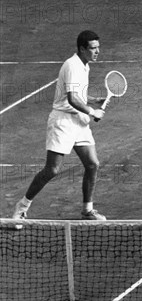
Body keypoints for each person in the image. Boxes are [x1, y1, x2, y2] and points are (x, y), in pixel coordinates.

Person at [12, 30, 109, 225]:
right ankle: (21, 207)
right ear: (82, 49)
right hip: (63, 122)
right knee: (52, 170)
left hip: (78, 121)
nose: (97, 52)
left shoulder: (84, 65)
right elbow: (72, 99)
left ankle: (87, 210)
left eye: (98, 47)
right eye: (93, 48)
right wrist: (92, 112)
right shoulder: (72, 65)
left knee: (92, 164)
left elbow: (77, 94)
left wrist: (93, 100)